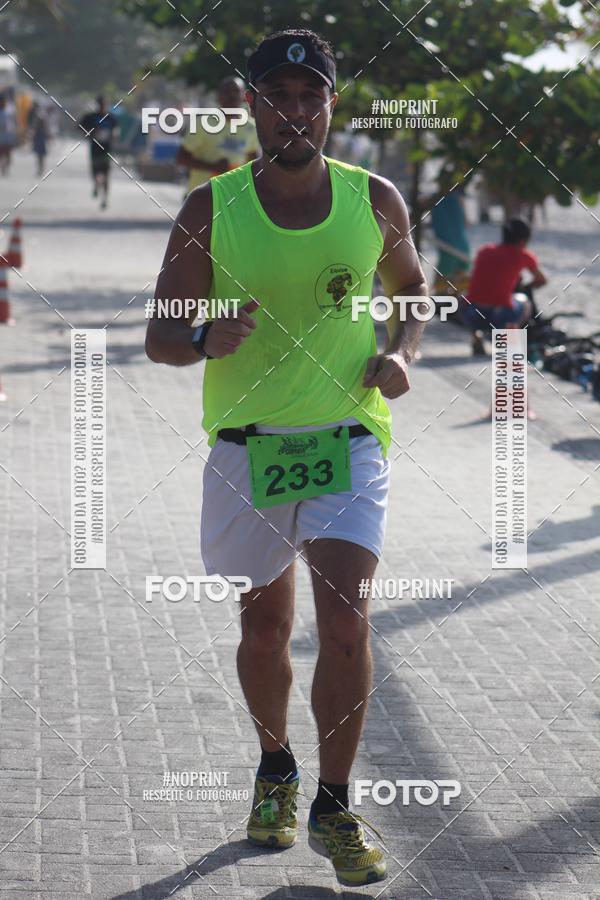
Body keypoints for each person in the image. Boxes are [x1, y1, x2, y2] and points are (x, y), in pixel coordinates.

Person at [146, 28, 428, 888]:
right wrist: (204, 333)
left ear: (331, 106)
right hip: (249, 446)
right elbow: (159, 338)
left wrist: (404, 351)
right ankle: (276, 770)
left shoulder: (375, 198)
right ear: (252, 107)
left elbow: (412, 292)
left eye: (311, 97)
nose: (295, 112)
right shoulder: (209, 209)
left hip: (348, 437)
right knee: (264, 629)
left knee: (346, 623)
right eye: (279, 97)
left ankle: (335, 808)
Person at [462, 217, 548, 356]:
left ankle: (476, 337)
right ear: (522, 241)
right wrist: (527, 287)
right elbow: (542, 280)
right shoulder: (523, 254)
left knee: (464, 298)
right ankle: (509, 343)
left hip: (472, 314)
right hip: (500, 316)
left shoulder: (485, 250)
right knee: (524, 302)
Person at [176, 76, 258, 194]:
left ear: (244, 96)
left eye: (236, 91)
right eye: (226, 92)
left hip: (234, 197)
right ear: (218, 97)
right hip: (203, 197)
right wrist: (212, 167)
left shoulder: (251, 127)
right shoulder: (203, 124)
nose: (232, 96)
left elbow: (254, 163)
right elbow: (181, 158)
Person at [79, 96, 117, 209]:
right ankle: (96, 184)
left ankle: (104, 199)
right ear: (98, 105)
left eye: (104, 105)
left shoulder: (110, 117)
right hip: (95, 148)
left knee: (106, 175)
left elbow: (116, 128)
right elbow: (79, 126)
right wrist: (91, 132)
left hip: (107, 149)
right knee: (96, 173)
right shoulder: (91, 117)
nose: (102, 107)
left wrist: (115, 134)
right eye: (101, 105)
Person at [30, 103, 49, 176]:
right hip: (39, 137)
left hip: (40, 137)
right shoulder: (40, 116)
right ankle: (40, 169)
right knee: (40, 155)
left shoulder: (40, 116)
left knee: (40, 155)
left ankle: (41, 169)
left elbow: (39, 127)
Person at [0, 94, 17, 176]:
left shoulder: (9, 111)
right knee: (1, 153)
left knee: (8, 154)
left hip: (8, 136)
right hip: (1, 136)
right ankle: (3, 168)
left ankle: (6, 167)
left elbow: (13, 123)